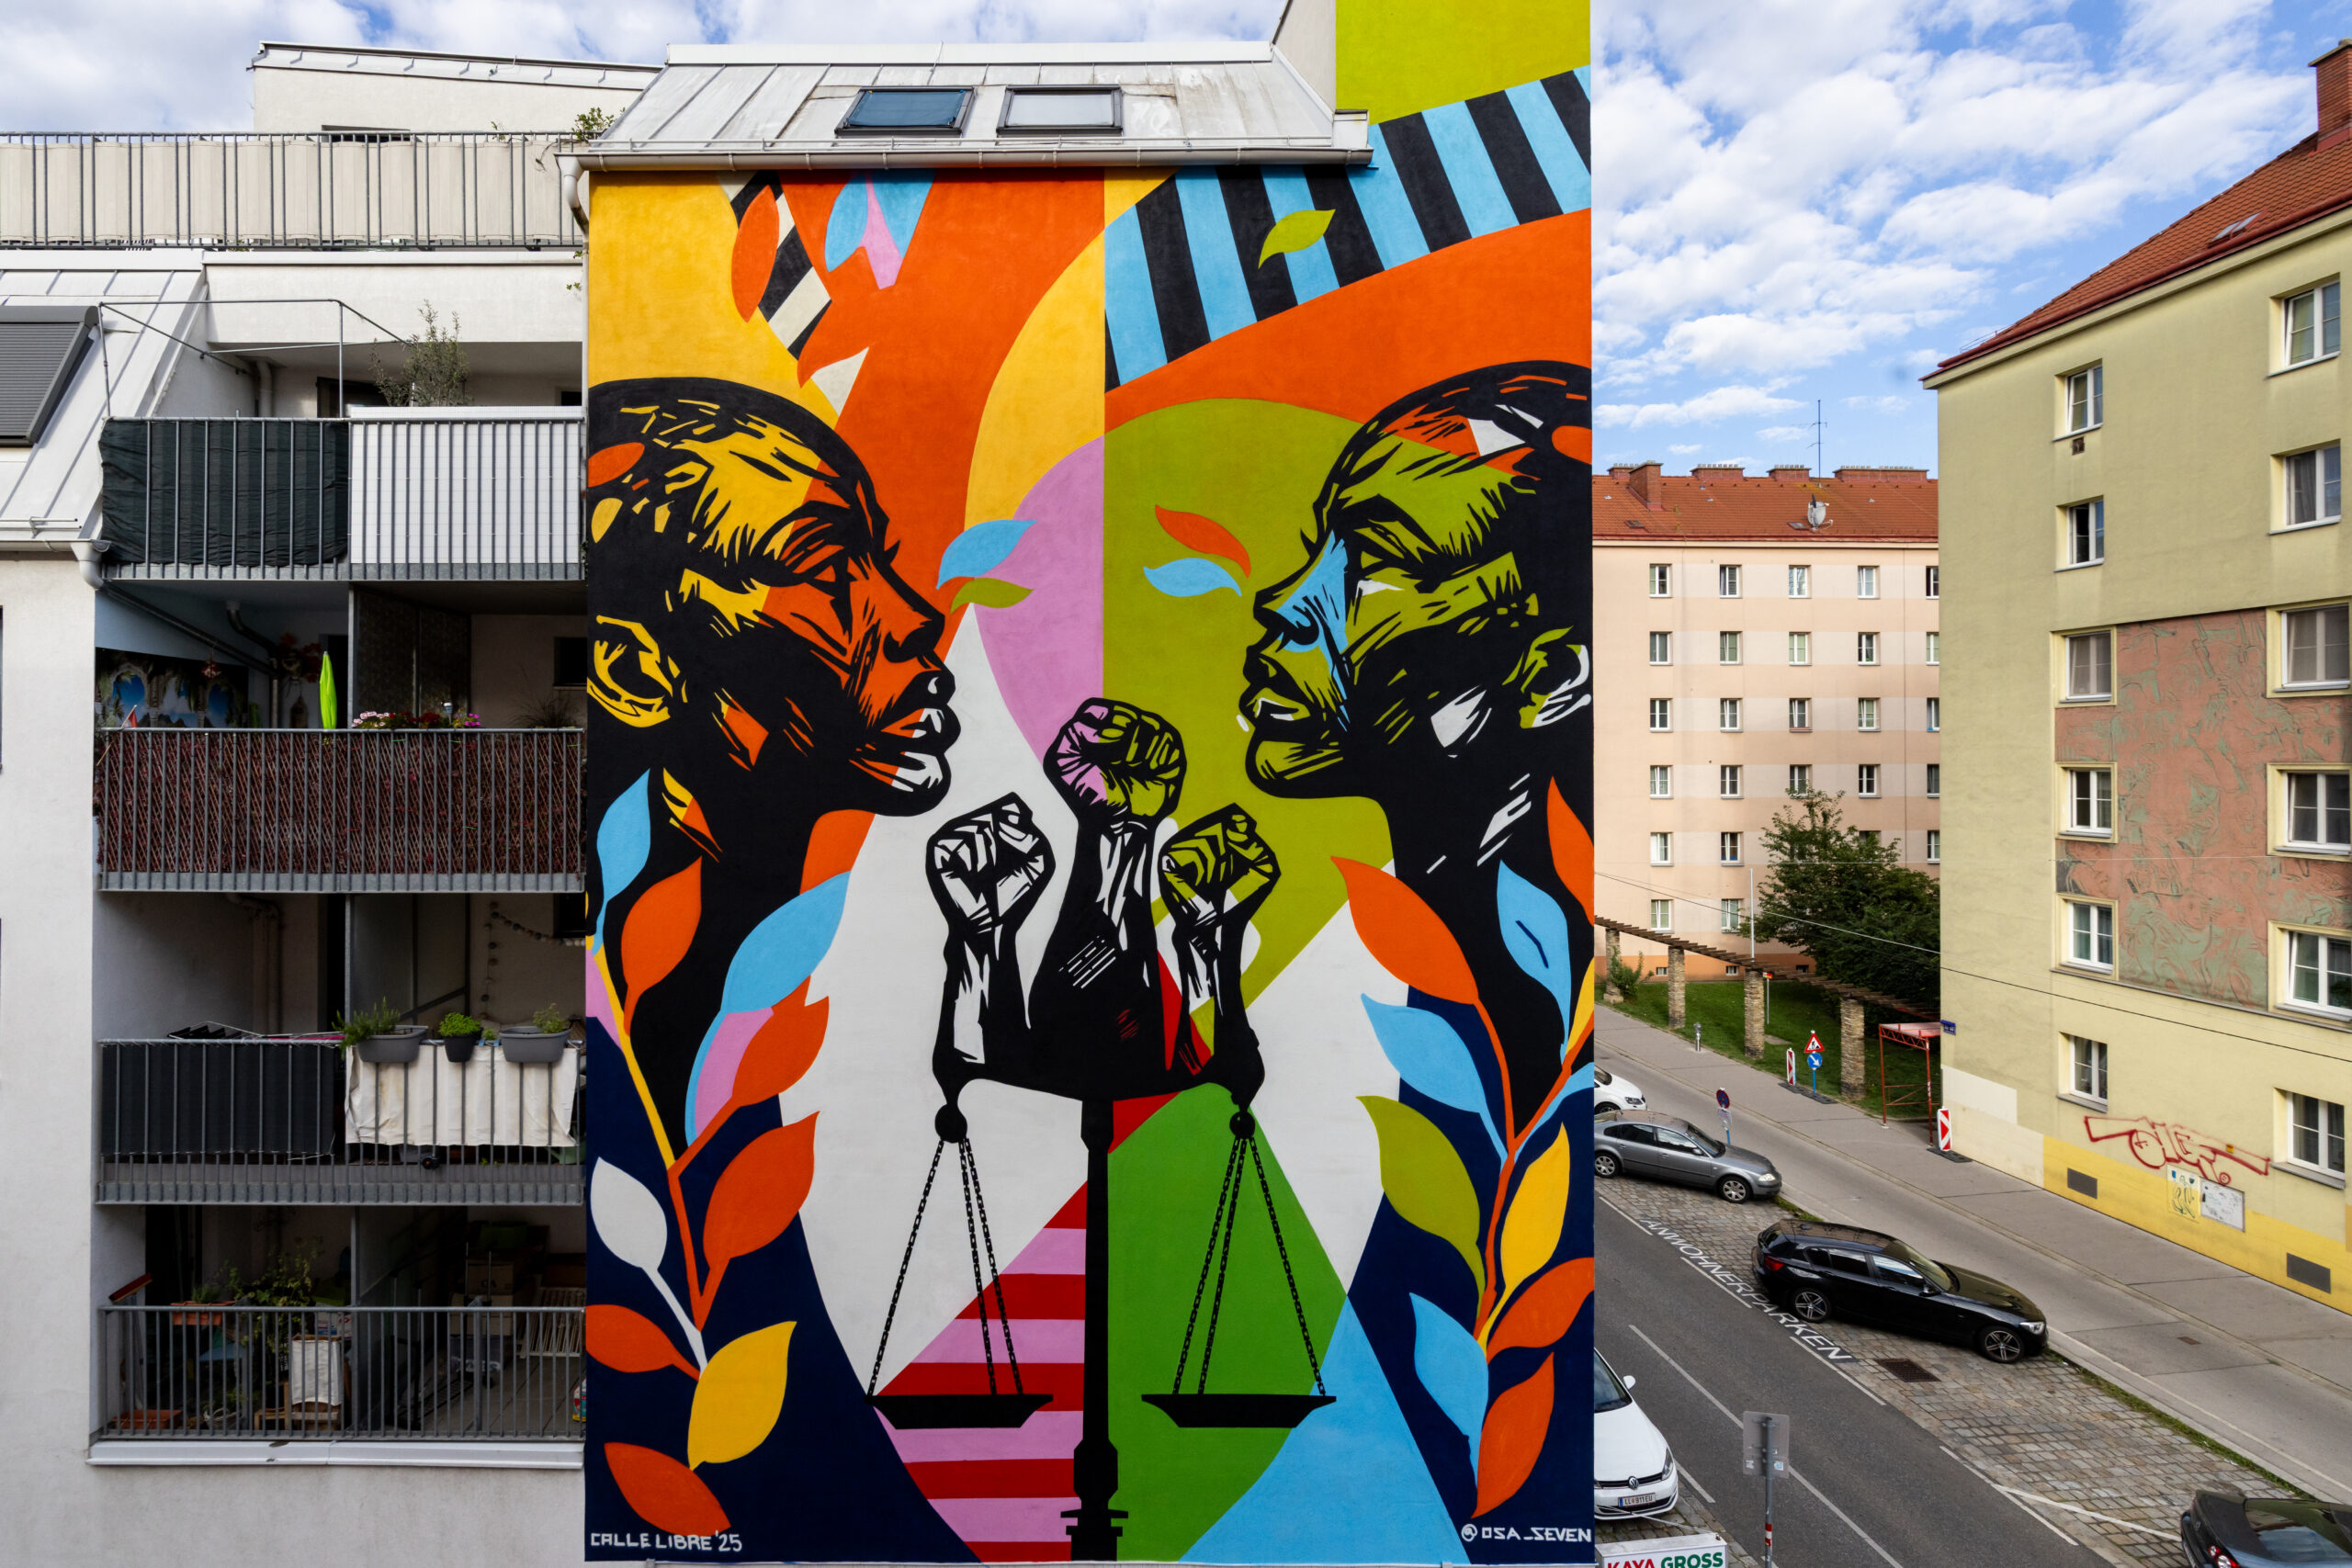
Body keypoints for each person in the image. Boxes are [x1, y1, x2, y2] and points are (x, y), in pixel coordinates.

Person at [584, 378, 958, 1150]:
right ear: (638, 671)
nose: (917, 618)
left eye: (878, 560)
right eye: (826, 569)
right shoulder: (644, 1004)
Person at [1239, 362, 1592, 1131]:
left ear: (1547, 676)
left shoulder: (1532, 1023)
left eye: (1373, 559)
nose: (1283, 603)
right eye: (1319, 549)